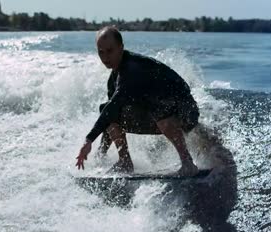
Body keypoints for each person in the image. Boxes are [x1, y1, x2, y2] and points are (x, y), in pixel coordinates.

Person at [75, 26, 200, 176]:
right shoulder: (113, 79)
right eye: (101, 52)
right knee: (106, 109)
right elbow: (110, 115)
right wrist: (100, 155)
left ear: (121, 48)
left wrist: (89, 140)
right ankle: (125, 162)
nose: (105, 57)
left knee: (157, 107)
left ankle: (188, 163)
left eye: (110, 51)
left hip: (186, 112)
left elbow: (114, 106)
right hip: (160, 118)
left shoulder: (132, 69)